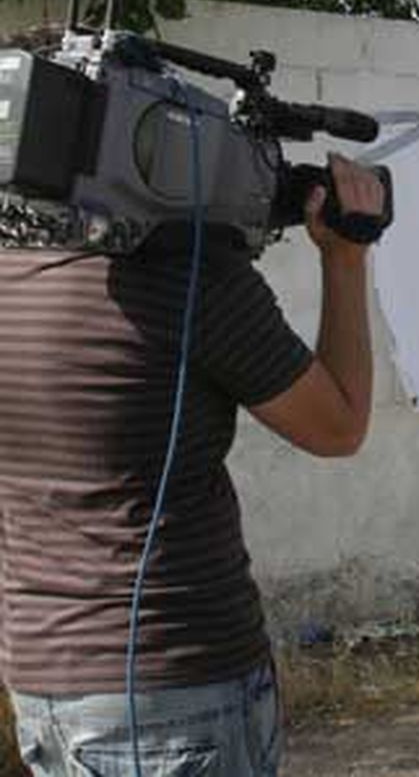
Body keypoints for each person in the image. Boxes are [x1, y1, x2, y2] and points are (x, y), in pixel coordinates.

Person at [0, 121, 386, 777]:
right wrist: (345, 256)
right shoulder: (190, 280)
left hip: (43, 687)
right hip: (177, 685)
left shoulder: (13, 270)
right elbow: (339, 425)